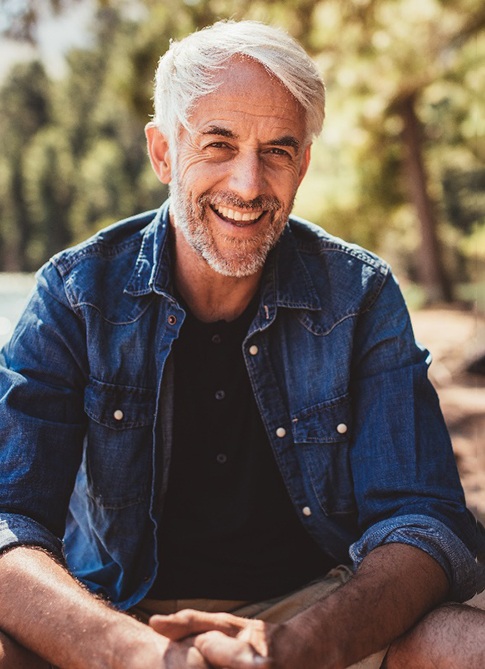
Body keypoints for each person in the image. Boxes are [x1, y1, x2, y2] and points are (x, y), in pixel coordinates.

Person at [0, 18, 483, 669]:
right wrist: (134, 653)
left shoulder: (359, 294)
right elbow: (10, 519)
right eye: (218, 144)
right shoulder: (76, 293)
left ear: (303, 163)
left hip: (318, 611)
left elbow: (423, 521)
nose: (248, 184)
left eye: (277, 150)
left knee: (464, 643)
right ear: (163, 151)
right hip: (114, 615)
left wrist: (293, 647)